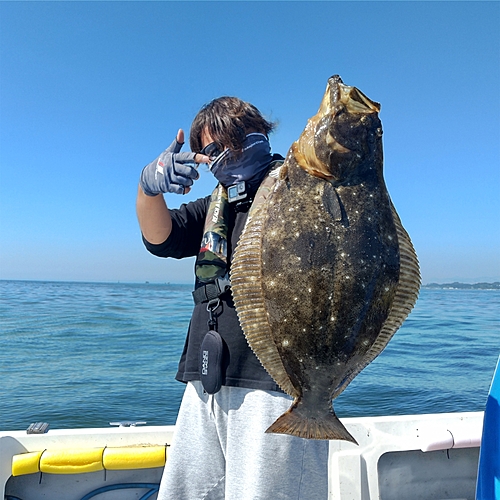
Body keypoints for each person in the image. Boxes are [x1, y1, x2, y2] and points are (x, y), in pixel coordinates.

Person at [136, 97, 329, 500]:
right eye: (213, 149)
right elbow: (160, 237)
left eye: (238, 137)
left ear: (262, 131)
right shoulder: (215, 209)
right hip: (206, 378)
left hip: (276, 384)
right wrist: (147, 185)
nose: (230, 152)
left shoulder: (302, 188)